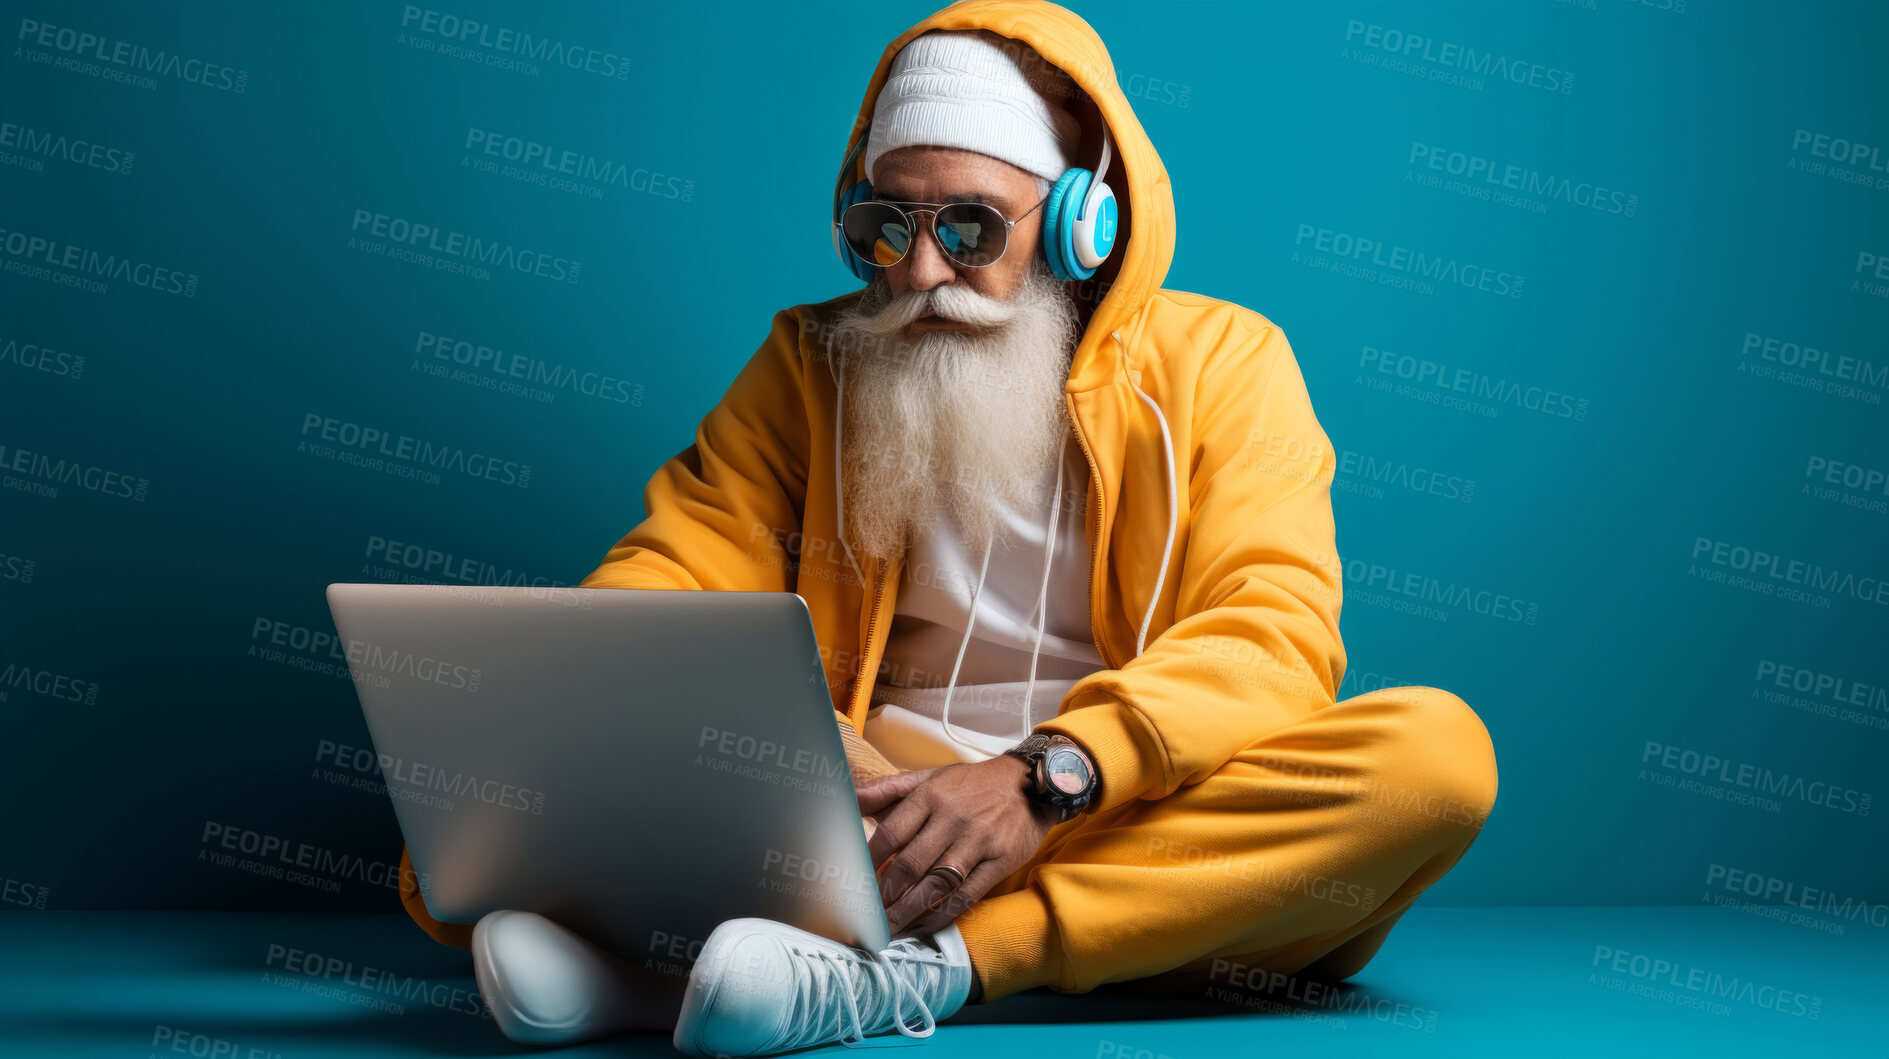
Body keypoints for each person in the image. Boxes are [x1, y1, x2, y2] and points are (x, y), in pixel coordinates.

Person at [394, 3, 1498, 1055]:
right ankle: (745, 981)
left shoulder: (1224, 364)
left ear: (1078, 219)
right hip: (871, 817)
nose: (920, 273)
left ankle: (906, 970)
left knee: (1433, 759)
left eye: (968, 227)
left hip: (1119, 818)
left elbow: (1270, 633)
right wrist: (660, 731)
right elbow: (672, 573)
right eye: (886, 227)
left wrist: (1045, 778)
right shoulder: (808, 363)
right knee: (486, 808)